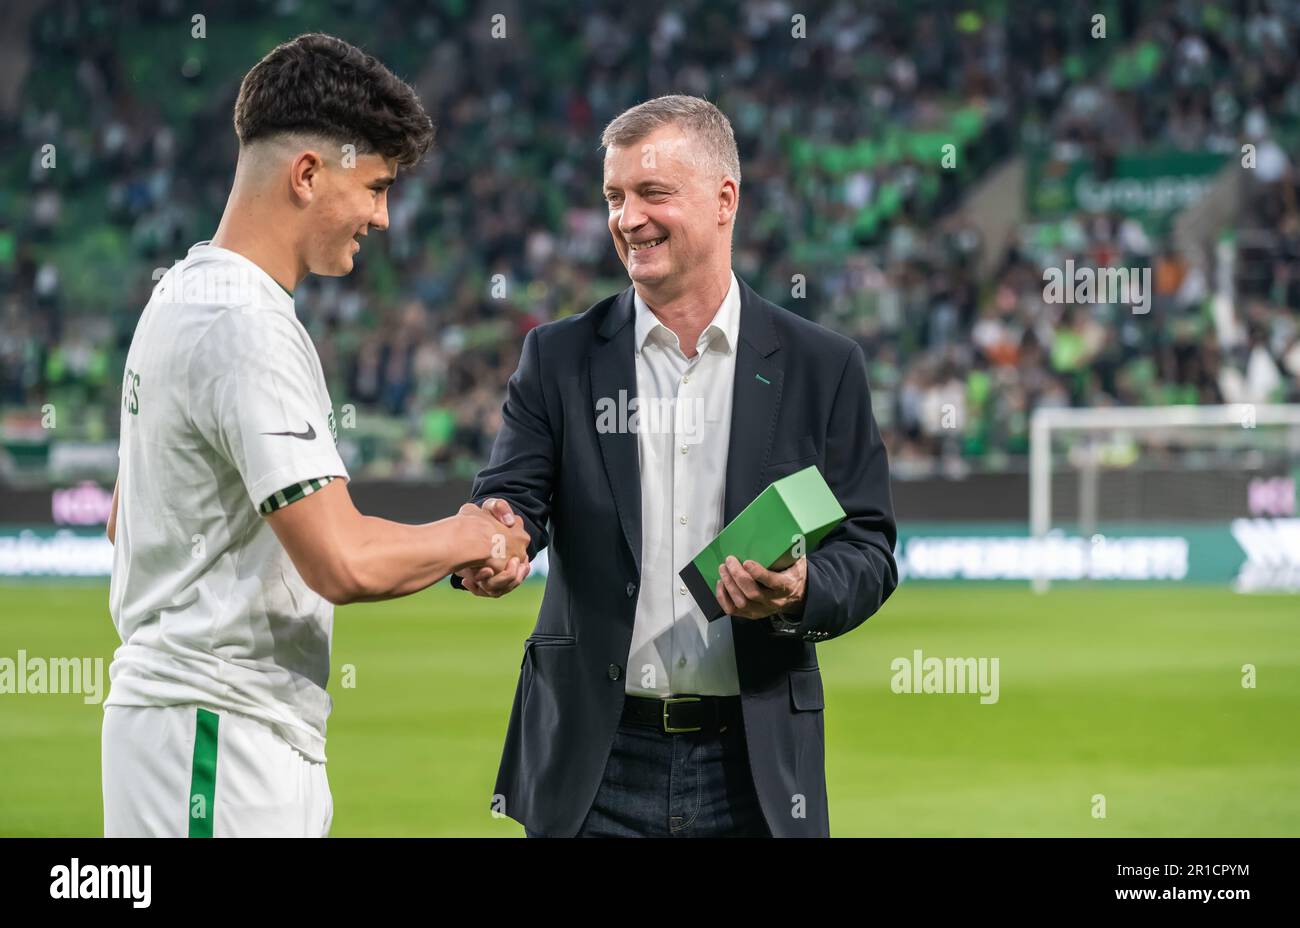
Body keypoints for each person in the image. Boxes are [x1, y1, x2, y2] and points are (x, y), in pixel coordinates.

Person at [102, 33, 528, 838]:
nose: (382, 215)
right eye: (373, 185)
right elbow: (342, 560)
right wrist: (473, 533)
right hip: (217, 743)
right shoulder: (244, 324)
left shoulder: (181, 294)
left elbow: (122, 517)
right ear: (307, 174)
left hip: (194, 733)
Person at [455, 95, 898, 837]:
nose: (628, 218)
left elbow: (870, 550)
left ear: (725, 200)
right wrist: (499, 539)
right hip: (594, 764)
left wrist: (799, 590)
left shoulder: (823, 366)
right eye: (614, 197)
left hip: (753, 771)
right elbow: (508, 498)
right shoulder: (559, 358)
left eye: (653, 193)